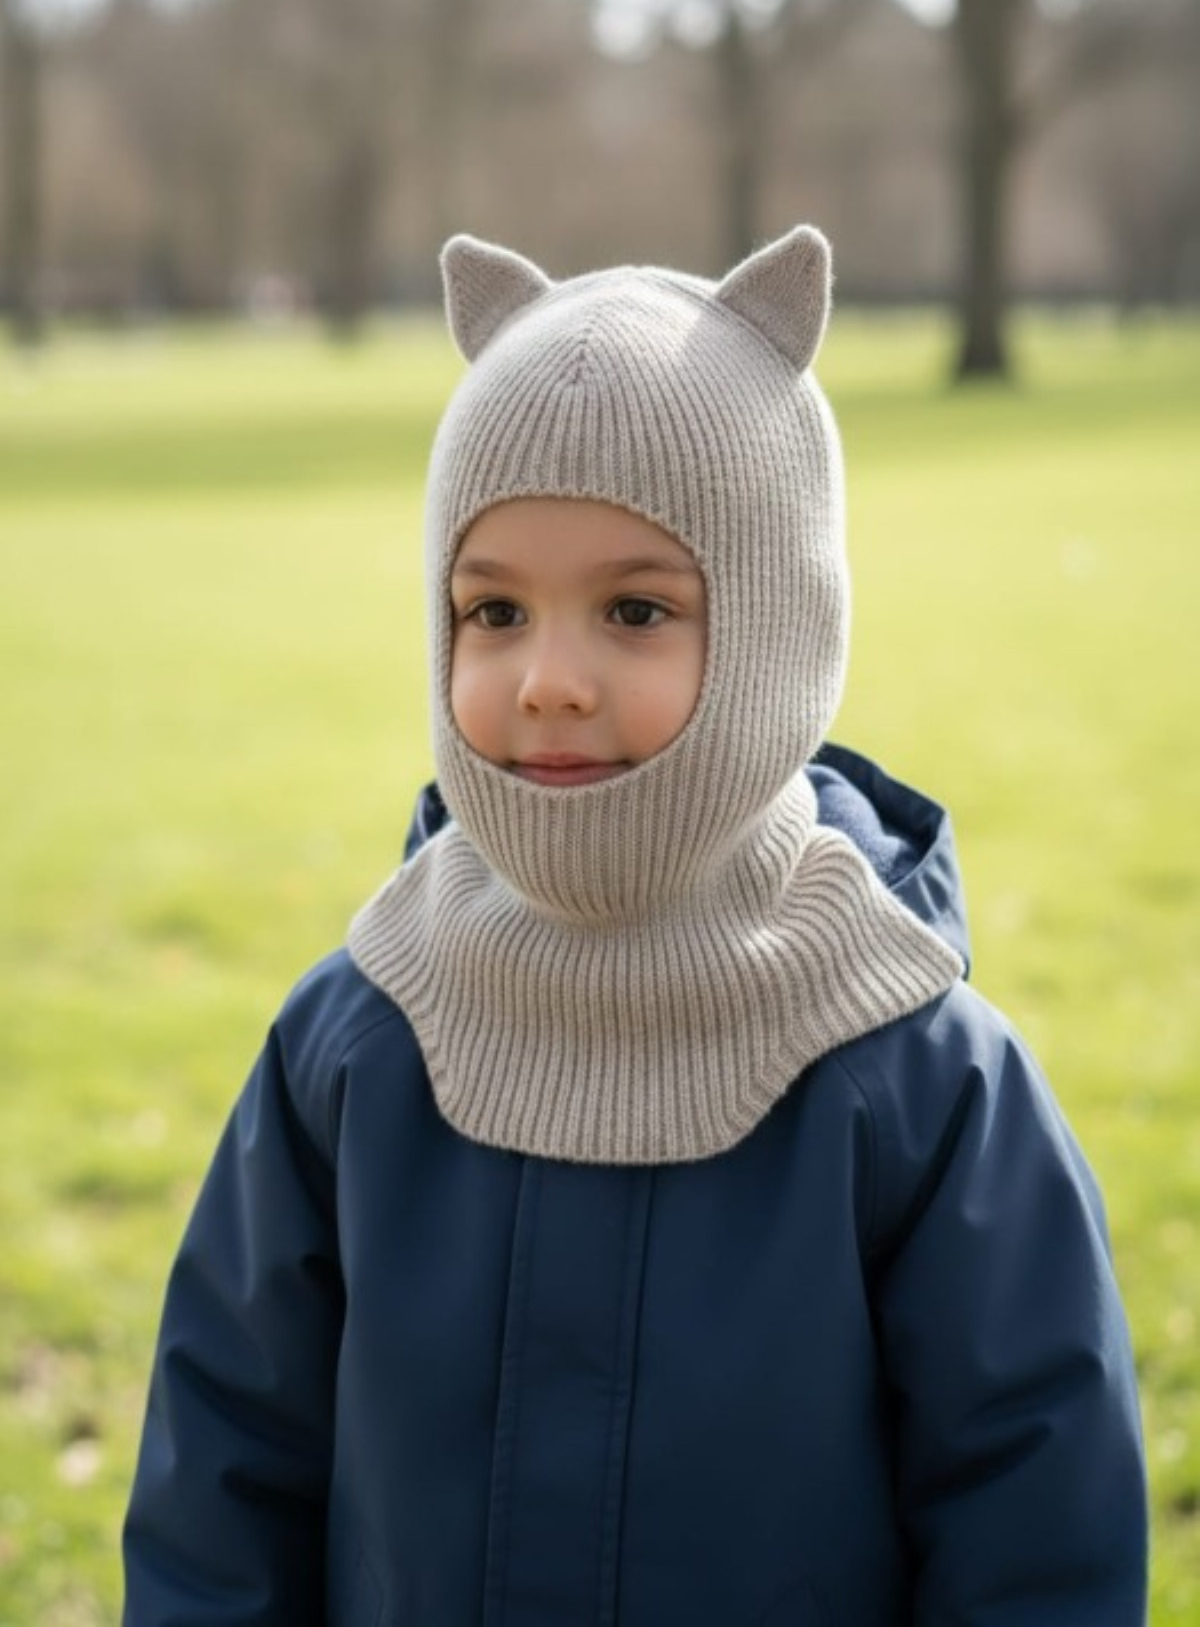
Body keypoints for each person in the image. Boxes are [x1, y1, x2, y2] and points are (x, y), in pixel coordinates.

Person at [122, 226, 1148, 1625]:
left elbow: (1037, 1528)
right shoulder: (354, 1041)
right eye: (493, 610)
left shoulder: (919, 1080)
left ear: (780, 632)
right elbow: (223, 1477)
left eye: (636, 609)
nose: (549, 678)